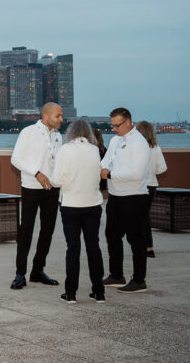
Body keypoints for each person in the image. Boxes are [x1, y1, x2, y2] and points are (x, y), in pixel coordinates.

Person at [9, 102, 64, 289]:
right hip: (32, 187)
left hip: (52, 189)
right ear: (46, 115)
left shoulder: (58, 136)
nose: (61, 119)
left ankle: (38, 270)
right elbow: (16, 159)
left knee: (47, 231)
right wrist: (37, 173)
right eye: (58, 116)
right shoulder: (28, 132)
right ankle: (20, 273)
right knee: (26, 230)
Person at [50, 119, 106, 304]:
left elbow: (56, 180)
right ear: (87, 132)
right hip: (92, 204)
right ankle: (99, 292)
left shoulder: (65, 150)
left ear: (71, 133)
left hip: (71, 205)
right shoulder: (94, 150)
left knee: (73, 249)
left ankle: (71, 293)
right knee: (93, 247)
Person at [101, 108, 152, 293]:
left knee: (136, 239)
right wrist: (105, 171)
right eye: (112, 125)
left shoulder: (139, 142)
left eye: (117, 125)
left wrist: (111, 174)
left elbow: (137, 173)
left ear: (129, 121)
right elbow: (104, 163)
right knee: (112, 235)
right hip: (115, 196)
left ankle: (139, 280)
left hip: (134, 197)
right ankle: (116, 275)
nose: (114, 129)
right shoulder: (115, 140)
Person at [135, 121, 167, 257]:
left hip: (138, 185)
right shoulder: (156, 148)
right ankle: (149, 247)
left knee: (137, 217)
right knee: (145, 216)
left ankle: (141, 245)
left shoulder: (136, 148)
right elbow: (162, 168)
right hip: (152, 184)